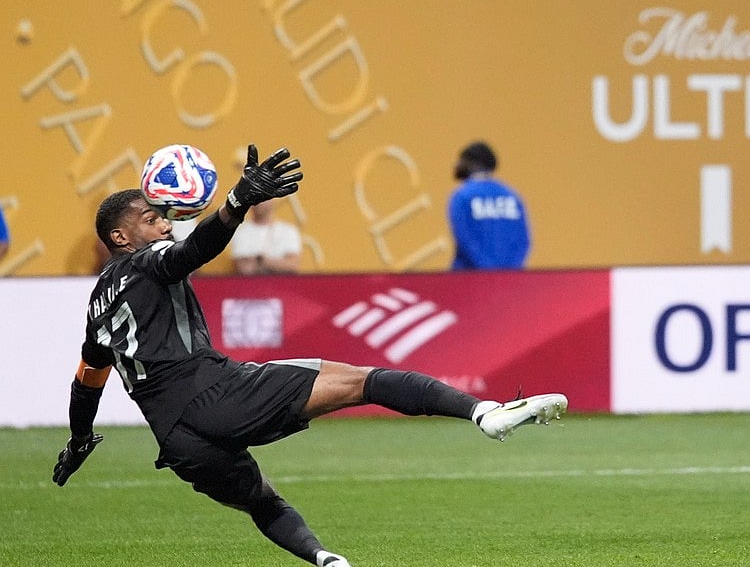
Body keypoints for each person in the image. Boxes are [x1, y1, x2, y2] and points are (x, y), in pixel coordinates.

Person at [51, 144, 569, 567]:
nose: (163, 224)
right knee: (363, 380)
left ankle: (326, 560)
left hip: (179, 442)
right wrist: (235, 203)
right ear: (120, 237)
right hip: (217, 394)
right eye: (150, 219)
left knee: (262, 502)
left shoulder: (98, 304)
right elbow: (195, 251)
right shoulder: (146, 262)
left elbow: (88, 379)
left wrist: (78, 440)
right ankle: (485, 413)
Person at [448, 141, 531, 270]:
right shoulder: (512, 196)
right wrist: (510, 271)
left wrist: (487, 270)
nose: (457, 165)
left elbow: (464, 239)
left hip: (468, 278)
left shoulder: (463, 196)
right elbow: (523, 241)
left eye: (461, 160)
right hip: (510, 278)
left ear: (473, 163)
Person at [231, 197, 302, 275]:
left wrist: (261, 260)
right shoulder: (240, 231)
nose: (262, 202)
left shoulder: (289, 231)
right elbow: (243, 268)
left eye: (267, 197)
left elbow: (292, 266)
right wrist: (278, 263)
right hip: (251, 286)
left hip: (282, 286)